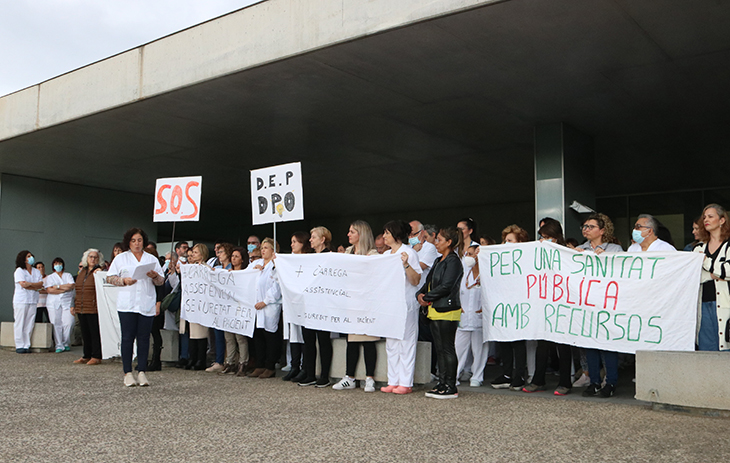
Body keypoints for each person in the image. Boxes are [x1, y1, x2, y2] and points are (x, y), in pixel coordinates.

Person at [106, 228, 164, 387]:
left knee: (144, 338)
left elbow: (161, 281)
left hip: (145, 303)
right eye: (133, 241)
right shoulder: (121, 258)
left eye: (139, 240)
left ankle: (142, 372)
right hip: (127, 304)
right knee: (127, 337)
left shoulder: (151, 259)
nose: (137, 244)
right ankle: (127, 372)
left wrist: (155, 277)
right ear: (128, 242)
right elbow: (109, 278)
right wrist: (123, 281)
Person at [522, 221, 574, 396]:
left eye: (546, 237)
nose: (543, 240)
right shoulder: (537, 252)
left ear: (556, 236)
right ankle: (538, 380)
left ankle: (565, 381)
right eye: (541, 237)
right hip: (543, 304)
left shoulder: (567, 252)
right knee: (542, 344)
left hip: (563, 304)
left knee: (563, 345)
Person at [332, 221, 379, 393]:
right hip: (350, 303)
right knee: (351, 340)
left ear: (361, 234)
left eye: (352, 231)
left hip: (366, 304)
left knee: (368, 341)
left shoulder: (372, 254)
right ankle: (349, 376)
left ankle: (370, 378)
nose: (348, 234)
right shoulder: (347, 252)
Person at [417, 227, 464, 399]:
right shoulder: (438, 261)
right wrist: (420, 294)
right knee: (440, 348)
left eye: (440, 240)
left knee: (447, 348)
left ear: (449, 242)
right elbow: (428, 282)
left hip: (447, 310)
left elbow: (446, 286)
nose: (436, 243)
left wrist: (427, 297)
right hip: (435, 309)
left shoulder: (453, 261)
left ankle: (450, 385)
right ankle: (442, 382)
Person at [381, 220, 423, 395]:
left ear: (396, 235)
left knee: (406, 342)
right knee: (391, 343)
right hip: (389, 304)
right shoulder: (385, 255)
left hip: (406, 304)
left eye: (387, 233)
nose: (384, 236)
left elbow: (416, 280)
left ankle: (405, 382)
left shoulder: (409, 253)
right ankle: (393, 380)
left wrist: (406, 264)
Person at [491, 225, 530, 390]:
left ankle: (520, 374)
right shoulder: (501, 259)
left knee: (517, 341)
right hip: (504, 303)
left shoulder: (527, 259)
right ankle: (506, 374)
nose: (505, 244)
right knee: (504, 340)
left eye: (510, 240)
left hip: (519, 304)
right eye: (504, 240)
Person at [299, 226, 335, 387]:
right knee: (308, 339)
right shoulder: (309, 257)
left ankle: (324, 375)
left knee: (323, 340)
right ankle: (309, 372)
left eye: (313, 237)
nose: (310, 240)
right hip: (309, 303)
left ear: (322, 239)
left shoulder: (330, 257)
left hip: (324, 304)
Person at [694, 204, 730, 351]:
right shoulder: (699, 248)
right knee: (707, 351)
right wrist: (714, 274)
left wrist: (705, 261)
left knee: (725, 348)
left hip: (725, 304)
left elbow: (727, 271)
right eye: (704, 217)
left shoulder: (728, 246)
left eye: (710, 216)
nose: (706, 220)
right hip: (703, 305)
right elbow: (695, 277)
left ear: (721, 220)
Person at [248, 238, 282, 379]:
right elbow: (244, 277)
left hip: (269, 306)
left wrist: (266, 301)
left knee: (270, 337)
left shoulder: (276, 265)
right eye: (262, 247)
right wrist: (253, 272)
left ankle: (270, 366)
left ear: (273, 250)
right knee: (258, 336)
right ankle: (259, 364)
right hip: (256, 306)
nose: (263, 250)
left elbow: (277, 286)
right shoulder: (256, 264)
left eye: (266, 247)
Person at [455, 243, 488, 388]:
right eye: (466, 254)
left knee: (479, 350)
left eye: (471, 254)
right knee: (458, 348)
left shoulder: (487, 275)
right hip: (463, 317)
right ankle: (454, 375)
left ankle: (477, 376)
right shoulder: (464, 272)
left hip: (480, 318)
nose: (468, 257)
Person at [284, 231, 311, 382]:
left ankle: (305, 367)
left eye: (295, 241)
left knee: (305, 335)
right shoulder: (289, 260)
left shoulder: (308, 259)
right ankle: (295, 366)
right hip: (292, 303)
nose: (292, 244)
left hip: (305, 303)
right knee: (294, 335)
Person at [222, 246, 251, 376]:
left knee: (240, 338)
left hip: (240, 308)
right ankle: (230, 362)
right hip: (229, 308)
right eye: (232, 256)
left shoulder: (246, 273)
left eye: (236, 256)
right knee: (229, 337)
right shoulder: (227, 273)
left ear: (243, 259)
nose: (233, 259)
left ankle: (243, 363)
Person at [71, 249, 104, 365]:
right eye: (90, 257)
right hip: (81, 306)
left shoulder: (99, 272)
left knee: (94, 332)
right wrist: (74, 305)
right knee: (84, 332)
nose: (93, 259)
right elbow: (77, 290)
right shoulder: (82, 272)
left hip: (93, 307)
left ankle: (96, 355)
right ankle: (86, 355)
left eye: (95, 257)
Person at [182, 244, 211, 370]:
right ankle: (192, 358)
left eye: (195, 252)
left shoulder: (206, 268)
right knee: (192, 334)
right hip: (192, 305)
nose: (193, 255)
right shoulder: (190, 268)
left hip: (202, 306)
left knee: (201, 333)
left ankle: (201, 359)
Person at [207, 242, 234, 373]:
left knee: (228, 336)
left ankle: (229, 360)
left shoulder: (232, 268)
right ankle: (219, 360)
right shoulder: (216, 268)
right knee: (217, 334)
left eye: (222, 252)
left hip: (228, 306)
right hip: (217, 305)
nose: (219, 254)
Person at [13, 251, 43, 353]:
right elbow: (23, 285)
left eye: (31, 256)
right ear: (23, 259)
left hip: (33, 300)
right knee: (20, 322)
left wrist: (30, 285)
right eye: (28, 256)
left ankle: (26, 345)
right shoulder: (19, 271)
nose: (31, 258)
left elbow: (40, 285)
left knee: (29, 323)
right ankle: (19, 345)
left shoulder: (36, 271)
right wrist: (34, 286)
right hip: (21, 300)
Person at [44, 258, 76, 353]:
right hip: (53, 303)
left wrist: (57, 287)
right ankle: (59, 344)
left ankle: (65, 342)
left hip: (67, 302)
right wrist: (64, 289)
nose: (58, 265)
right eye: (56, 263)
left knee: (69, 322)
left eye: (60, 263)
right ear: (53, 266)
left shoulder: (68, 275)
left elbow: (71, 286)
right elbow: (49, 290)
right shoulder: (50, 277)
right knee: (56, 323)